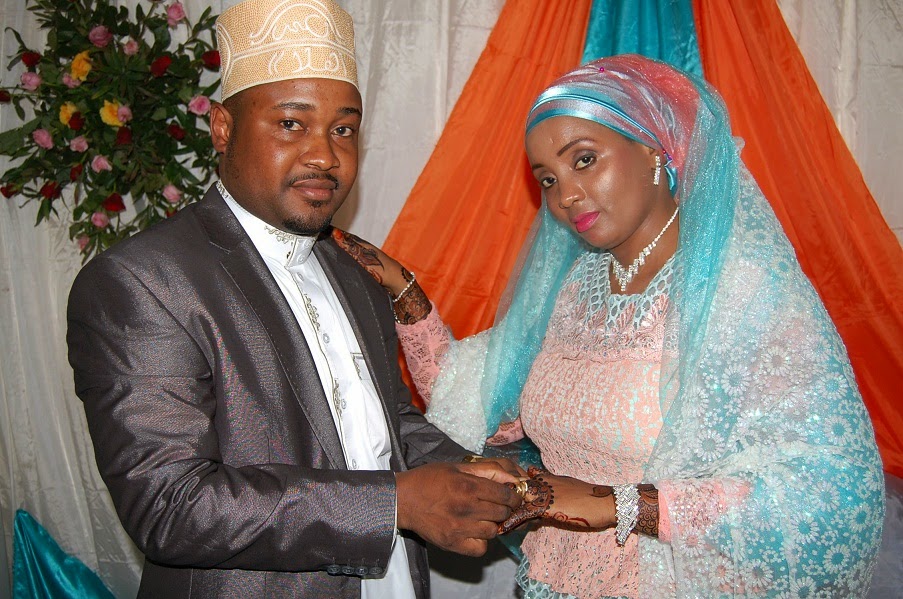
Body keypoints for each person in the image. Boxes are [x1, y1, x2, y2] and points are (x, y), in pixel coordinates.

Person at [333, 55, 886, 597]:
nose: (565, 196)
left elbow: (834, 494)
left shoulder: (740, 292)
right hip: (547, 583)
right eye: (547, 179)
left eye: (584, 160)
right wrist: (403, 291)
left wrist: (618, 504)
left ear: (653, 148)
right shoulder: (575, 288)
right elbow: (480, 405)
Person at [65, 0, 524, 597]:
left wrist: (472, 475)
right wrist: (397, 504)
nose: (325, 155)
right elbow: (171, 505)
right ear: (223, 129)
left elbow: (383, 423)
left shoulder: (353, 271)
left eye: (343, 129)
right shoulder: (143, 282)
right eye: (291, 124)